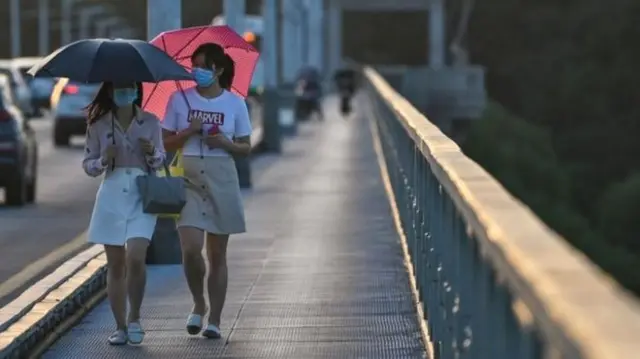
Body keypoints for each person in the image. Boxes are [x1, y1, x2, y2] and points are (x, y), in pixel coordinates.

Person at [161, 43, 252, 339]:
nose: (197, 72)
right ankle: (198, 302)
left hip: (221, 176)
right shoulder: (179, 100)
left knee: (217, 253)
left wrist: (224, 143)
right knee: (190, 249)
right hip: (188, 177)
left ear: (219, 70)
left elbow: (245, 147)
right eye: (194, 66)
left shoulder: (235, 104)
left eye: (203, 67)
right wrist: (189, 131)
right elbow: (165, 143)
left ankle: (215, 318)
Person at [82, 82, 166, 345]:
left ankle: (135, 317)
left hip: (142, 192)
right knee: (115, 263)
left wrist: (151, 152)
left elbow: (162, 159)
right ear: (110, 91)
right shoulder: (98, 125)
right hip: (112, 194)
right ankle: (120, 326)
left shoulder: (151, 121)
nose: (125, 92)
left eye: (130, 87)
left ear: (136, 90)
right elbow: (89, 165)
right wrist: (104, 159)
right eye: (120, 87)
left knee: (137, 257)